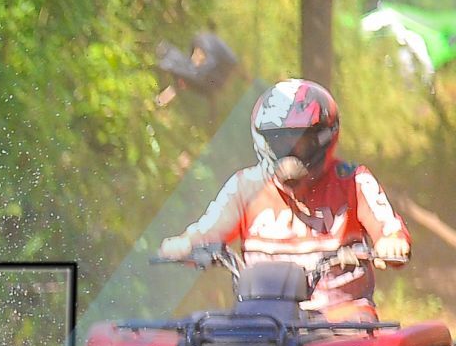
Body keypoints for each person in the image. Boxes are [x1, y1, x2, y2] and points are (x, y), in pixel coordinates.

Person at [158, 78, 410, 321]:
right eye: (280, 141)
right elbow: (208, 232)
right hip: (264, 320)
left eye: (300, 141)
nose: (290, 153)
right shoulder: (246, 186)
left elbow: (389, 229)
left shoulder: (352, 181)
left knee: (359, 335)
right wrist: (185, 244)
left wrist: (391, 243)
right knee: (205, 338)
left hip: (341, 320)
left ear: (324, 138)